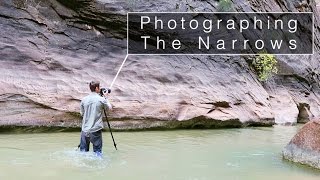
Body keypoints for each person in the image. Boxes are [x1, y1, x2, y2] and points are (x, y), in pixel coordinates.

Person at [79, 81, 112, 156]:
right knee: (97, 153)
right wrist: (105, 97)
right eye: (99, 87)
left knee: (83, 153)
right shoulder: (101, 99)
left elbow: (82, 113)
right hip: (95, 130)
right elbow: (109, 108)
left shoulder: (84, 99)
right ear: (97, 88)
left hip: (85, 130)